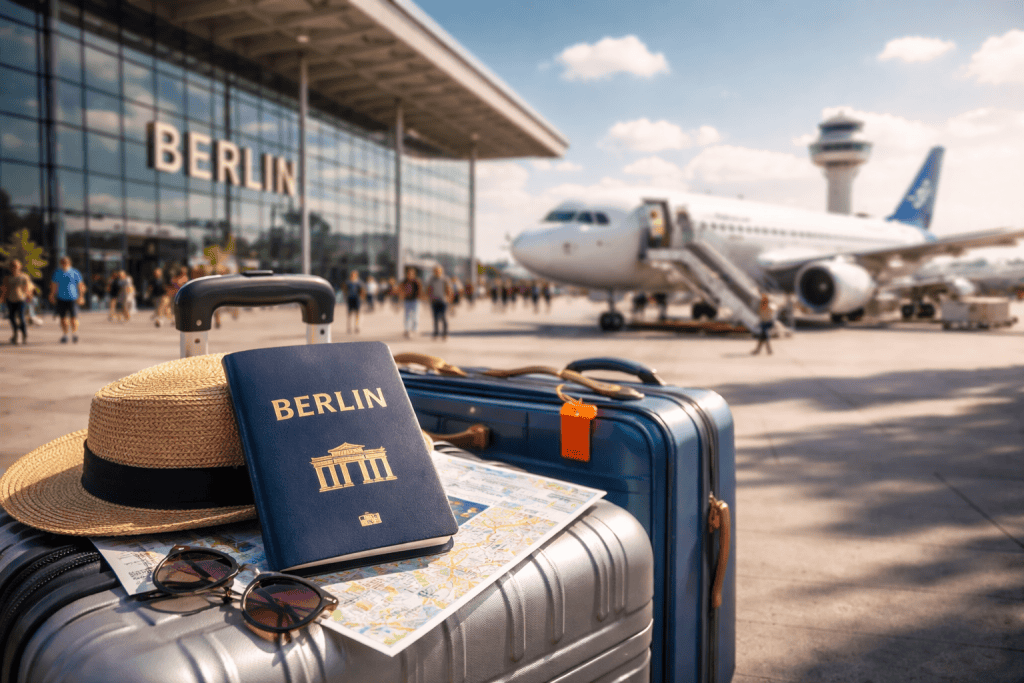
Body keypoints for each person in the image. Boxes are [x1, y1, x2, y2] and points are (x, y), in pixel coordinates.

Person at [49, 256, 86, 343]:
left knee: (73, 318)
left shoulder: (75, 272)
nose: (64, 264)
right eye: (63, 262)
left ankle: (74, 334)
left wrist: (81, 296)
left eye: (66, 262)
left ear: (69, 263)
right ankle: (65, 335)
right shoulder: (57, 273)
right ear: (61, 263)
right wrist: (52, 295)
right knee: (63, 318)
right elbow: (54, 285)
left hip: (73, 298)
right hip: (61, 298)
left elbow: (81, 286)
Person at [2, 259, 32, 344]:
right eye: (13, 266)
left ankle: (24, 334)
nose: (14, 268)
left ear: (20, 267)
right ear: (10, 268)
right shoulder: (7, 278)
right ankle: (15, 334)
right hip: (10, 300)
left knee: (21, 318)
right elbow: (5, 289)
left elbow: (27, 288)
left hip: (21, 299)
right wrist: (3, 299)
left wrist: (29, 297)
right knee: (11, 318)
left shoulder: (24, 276)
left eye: (16, 266)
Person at [427, 265, 453, 341]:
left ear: (441, 271)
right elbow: (429, 289)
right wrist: (429, 297)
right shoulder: (431, 279)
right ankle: (436, 333)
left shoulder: (445, 279)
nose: (437, 272)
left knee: (443, 317)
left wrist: (449, 298)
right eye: (435, 271)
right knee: (435, 318)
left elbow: (449, 289)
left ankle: (445, 333)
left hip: (443, 301)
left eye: (438, 271)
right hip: (434, 301)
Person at [400, 266, 421, 338]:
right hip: (407, 300)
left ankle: (414, 329)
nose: (409, 275)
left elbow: (420, 291)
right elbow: (401, 289)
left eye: (411, 274)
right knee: (407, 315)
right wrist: (401, 296)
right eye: (408, 274)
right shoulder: (404, 281)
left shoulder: (416, 282)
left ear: (414, 274)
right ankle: (407, 329)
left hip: (415, 300)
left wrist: (420, 297)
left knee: (415, 315)